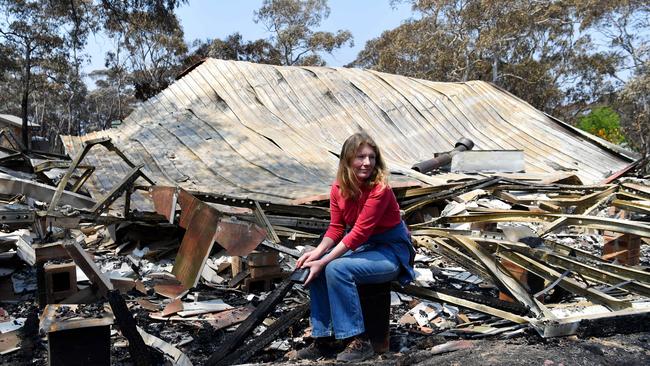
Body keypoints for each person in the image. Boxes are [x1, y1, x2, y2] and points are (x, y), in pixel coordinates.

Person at [294, 132, 415, 362]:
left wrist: (326, 260)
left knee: (336, 268)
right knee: (315, 268)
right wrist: (317, 253)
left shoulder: (380, 189)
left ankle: (358, 341)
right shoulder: (338, 188)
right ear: (347, 160)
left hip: (390, 251)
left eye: (371, 157)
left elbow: (359, 233)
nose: (367, 163)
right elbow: (336, 228)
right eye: (360, 157)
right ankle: (324, 339)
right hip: (365, 248)